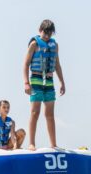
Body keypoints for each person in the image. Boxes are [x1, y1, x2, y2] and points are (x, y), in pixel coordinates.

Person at [23, 19, 66, 151]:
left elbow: (57, 65)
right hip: (36, 79)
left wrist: (62, 82)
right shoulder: (34, 44)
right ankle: (31, 143)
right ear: (40, 30)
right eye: (45, 33)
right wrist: (26, 83)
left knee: (50, 114)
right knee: (35, 112)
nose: (47, 36)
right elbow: (25, 64)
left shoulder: (55, 45)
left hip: (49, 80)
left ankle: (53, 143)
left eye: (49, 34)